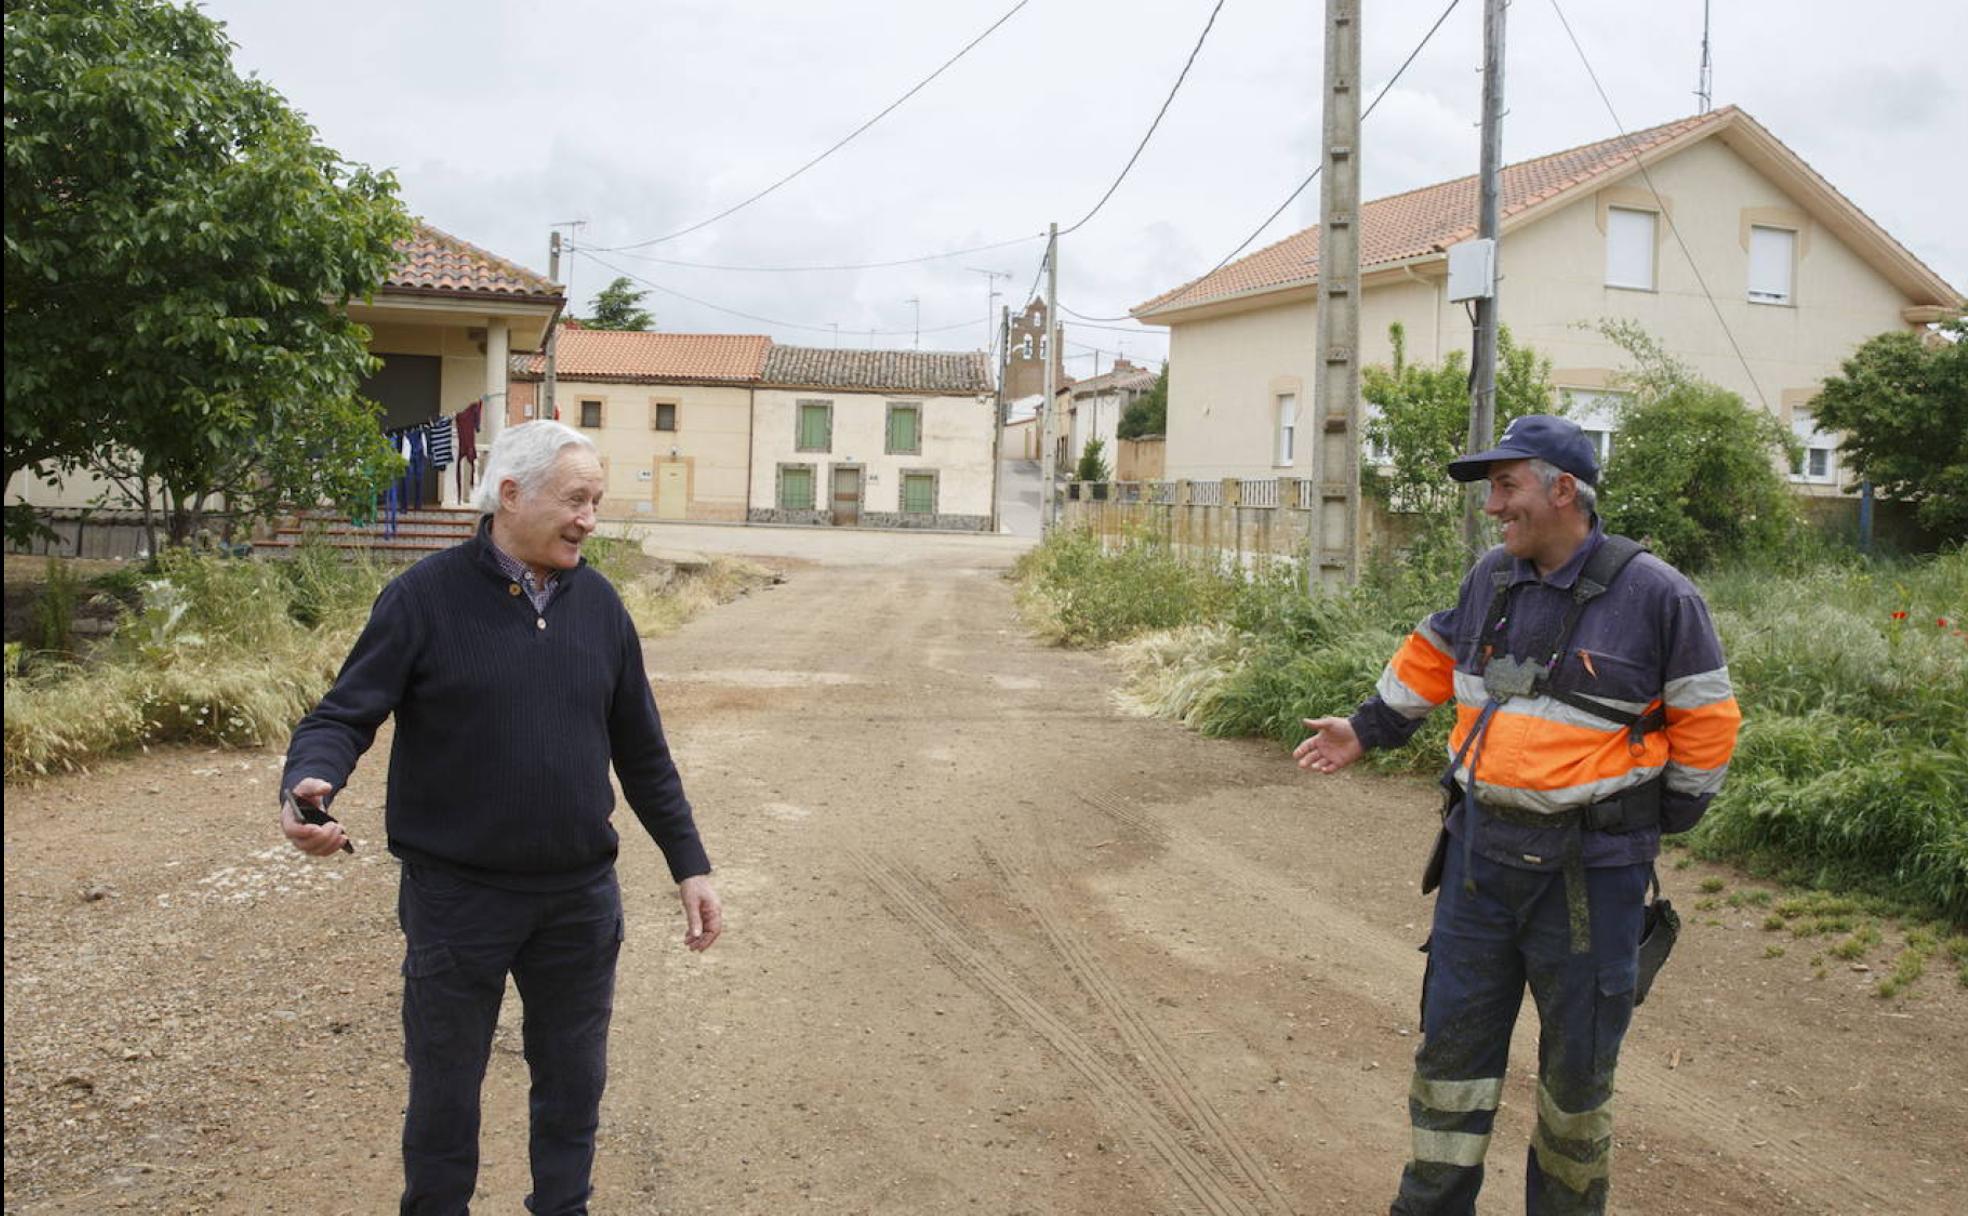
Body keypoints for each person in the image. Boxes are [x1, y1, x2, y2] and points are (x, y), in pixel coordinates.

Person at [1294, 415, 1739, 1215]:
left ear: (1563, 489)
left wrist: (1656, 820)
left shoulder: (1658, 595)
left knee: (1576, 1080)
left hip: (1590, 877)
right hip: (1478, 860)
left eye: (1506, 486)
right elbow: (1430, 655)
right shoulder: (1492, 580)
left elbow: (1707, 719)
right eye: (1491, 491)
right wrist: (1365, 729)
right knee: (1451, 1060)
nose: (1493, 508)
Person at [279, 420, 722, 1215]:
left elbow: (644, 753)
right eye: (576, 500)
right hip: (458, 900)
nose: (591, 519)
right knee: (445, 1094)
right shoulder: (423, 597)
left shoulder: (602, 606)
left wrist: (690, 864)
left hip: (579, 900)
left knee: (573, 1087)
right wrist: (309, 782)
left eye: (597, 501)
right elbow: (343, 716)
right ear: (510, 495)